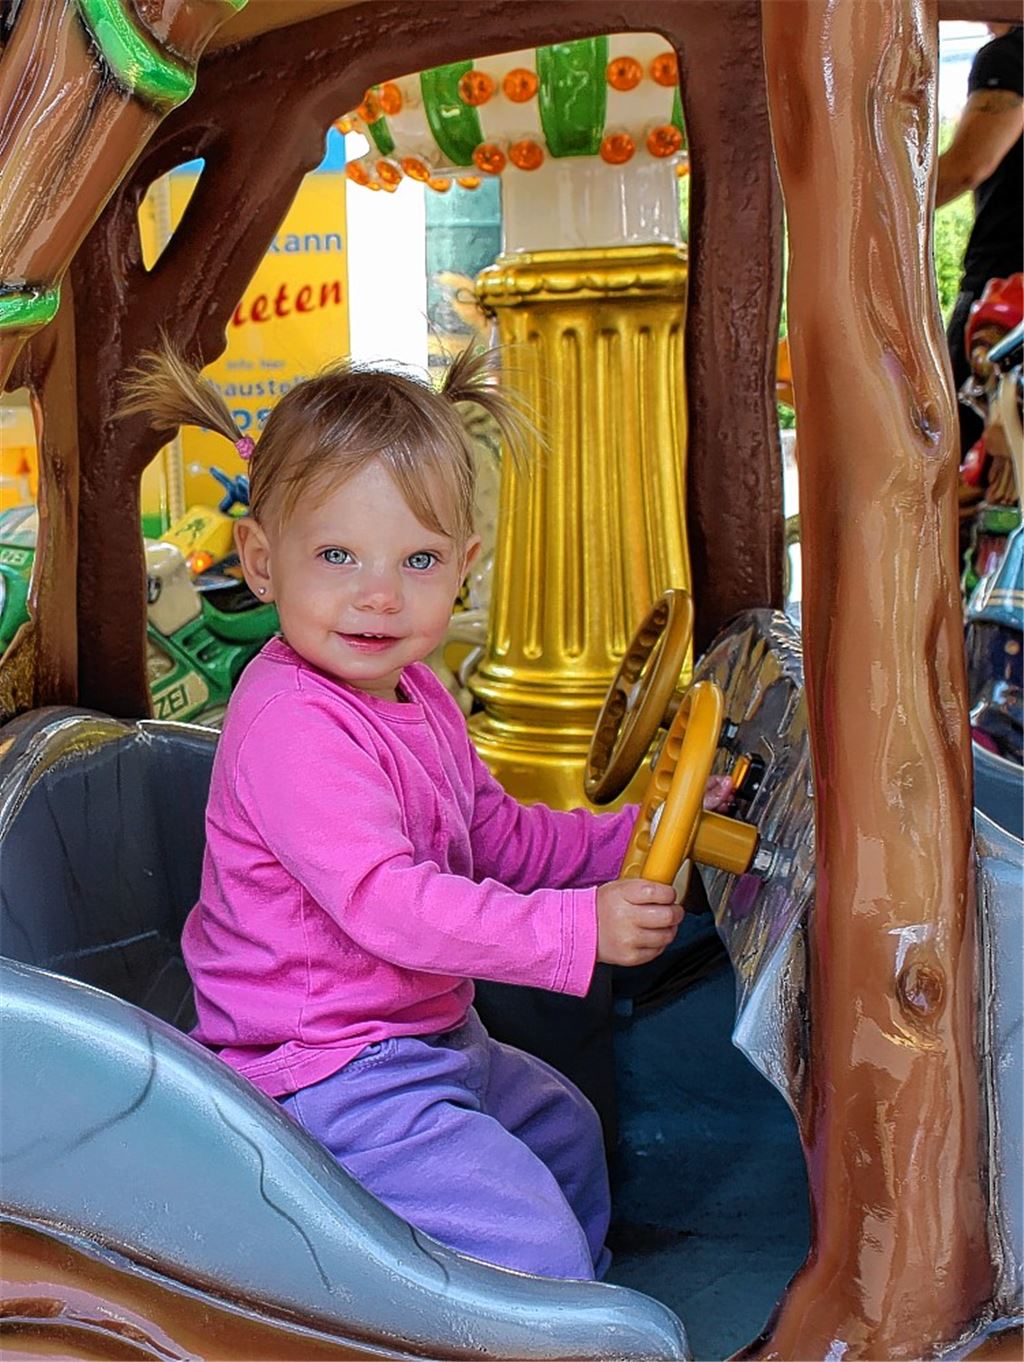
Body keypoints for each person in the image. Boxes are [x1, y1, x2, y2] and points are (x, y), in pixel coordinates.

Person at [120, 347, 729, 1282]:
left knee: (567, 1133)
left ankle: (579, 1314)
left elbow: (498, 837)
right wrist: (579, 928)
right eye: (336, 555)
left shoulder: (416, 690)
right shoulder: (294, 722)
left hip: (426, 1038)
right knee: (528, 1239)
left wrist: (642, 834)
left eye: (419, 559)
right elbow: (389, 905)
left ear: (464, 569)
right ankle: (538, 1324)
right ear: (260, 560)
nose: (378, 593)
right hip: (324, 1068)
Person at [936, 22, 1023, 459]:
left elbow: (968, 165)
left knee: (962, 459)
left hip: (1006, 292)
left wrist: (861, 206)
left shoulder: (1011, 55)